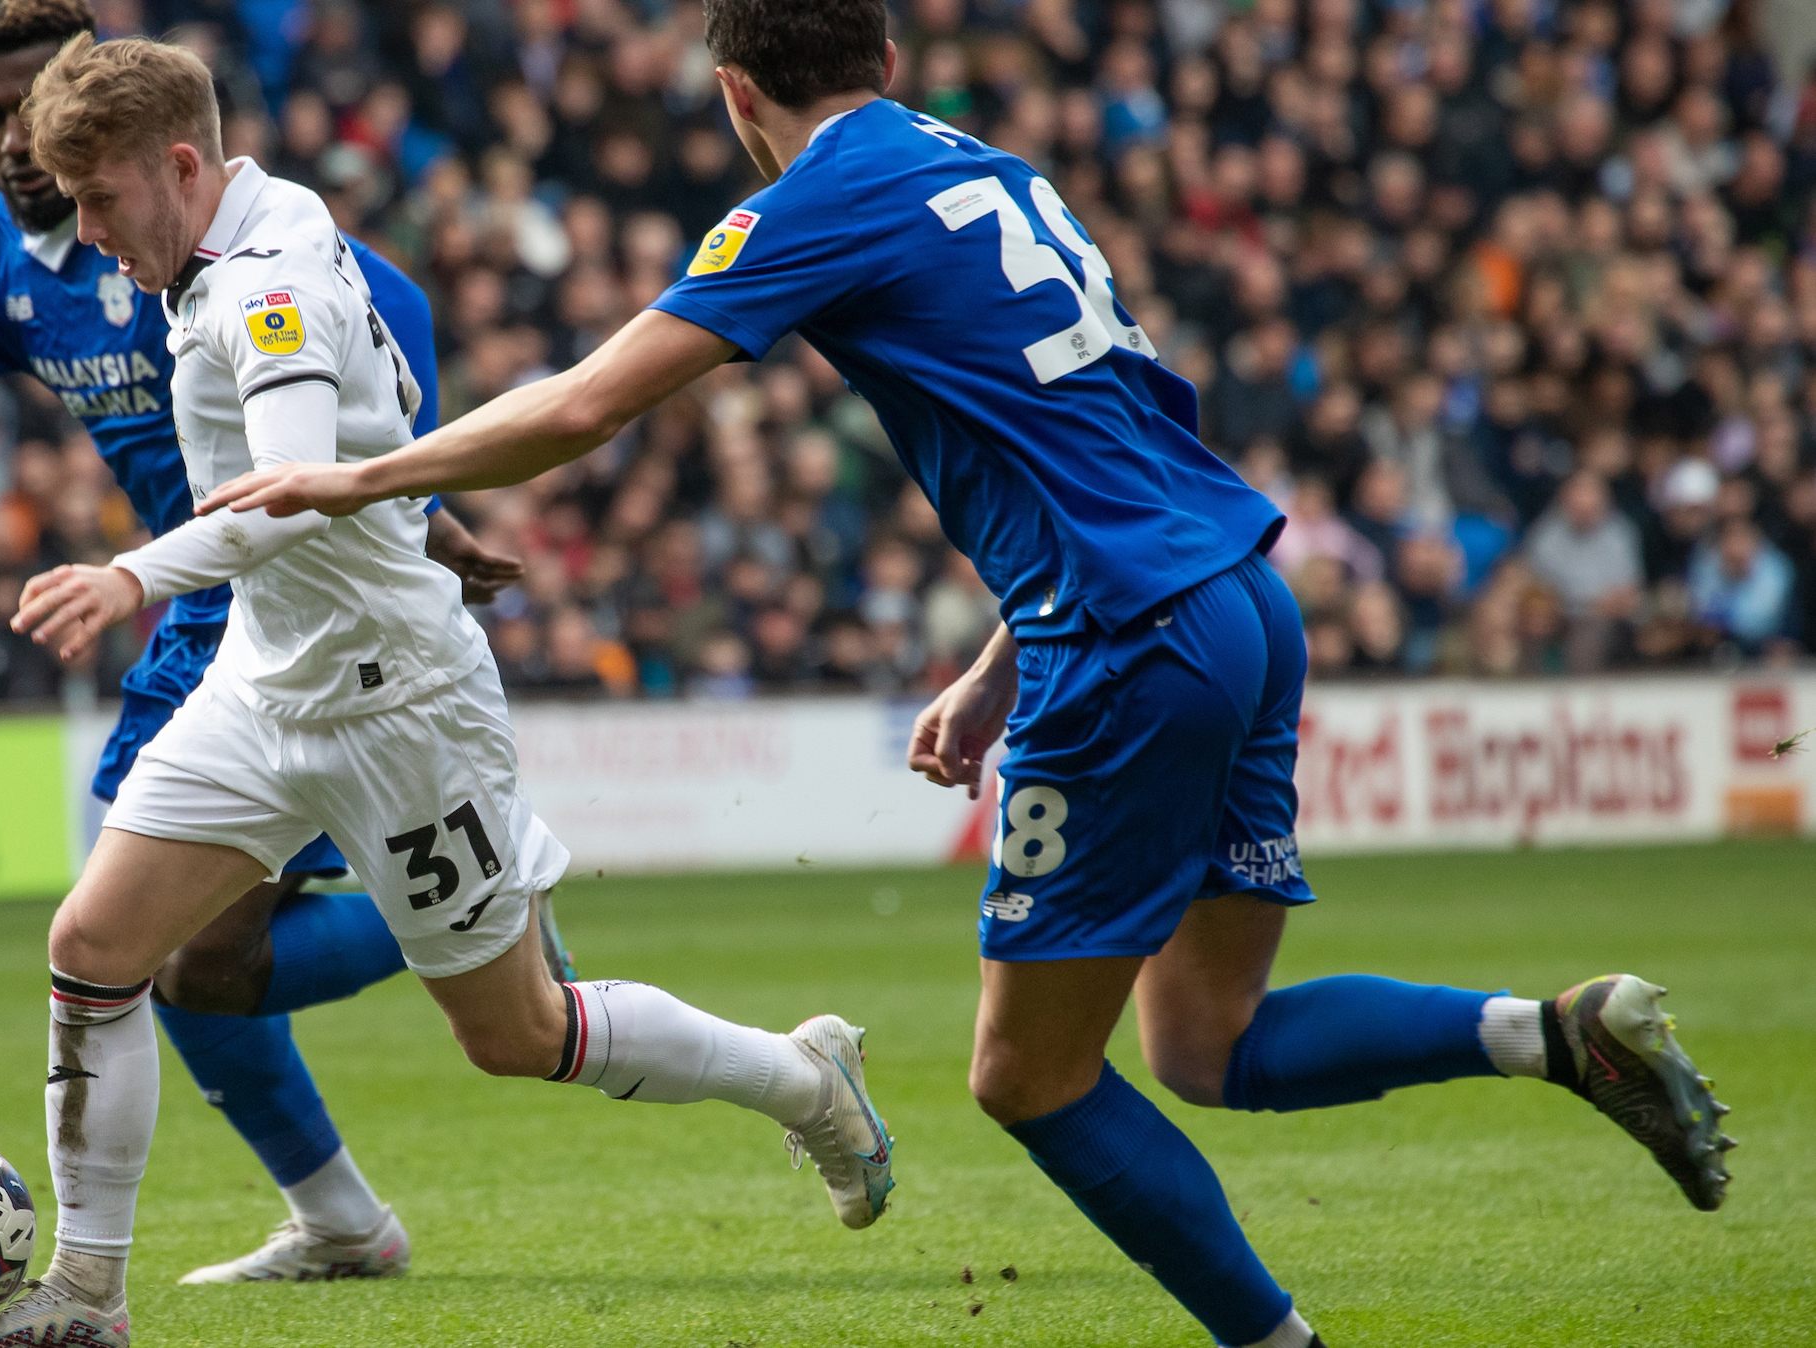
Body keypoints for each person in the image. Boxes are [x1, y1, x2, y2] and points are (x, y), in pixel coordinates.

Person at [204, 3, 1736, 1345]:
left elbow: (592, 403)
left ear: (739, 97)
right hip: (1236, 597)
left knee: (1026, 1080)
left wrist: (362, 480)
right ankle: (1554, 1036)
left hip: (1129, 642)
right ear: (889, 55)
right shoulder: (994, 167)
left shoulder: (816, 196)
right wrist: (1004, 656)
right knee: (1210, 1047)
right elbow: (1123, 425)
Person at [0, 34, 896, 1348]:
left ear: (177, 163)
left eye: (99, 198)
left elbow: (283, 492)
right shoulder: (244, 223)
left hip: (399, 710)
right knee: (94, 952)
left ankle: (802, 1079)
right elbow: (359, 437)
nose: (86, 230)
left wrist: (129, 573)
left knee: (518, 1033)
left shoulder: (265, 285)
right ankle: (88, 1301)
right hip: (265, 685)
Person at [0, 0, 528, 1287]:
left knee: (168, 952)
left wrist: (413, 505)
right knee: (171, 957)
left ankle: (488, 933)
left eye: (37, 103)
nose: (16, 138)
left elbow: (384, 319)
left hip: (270, 582)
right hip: (194, 599)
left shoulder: (214, 233)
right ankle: (345, 1203)